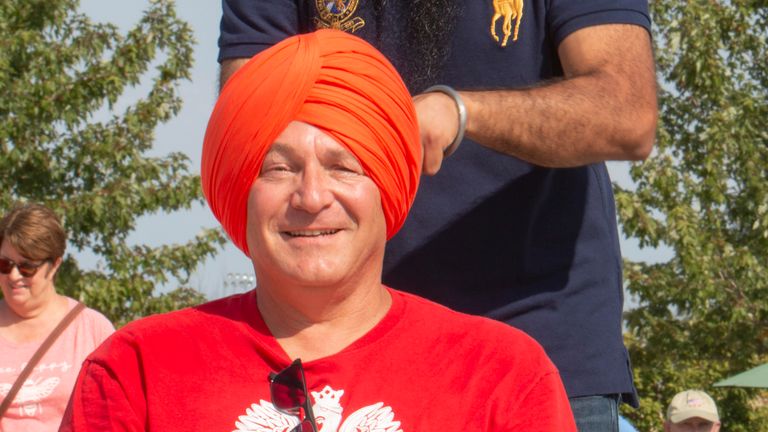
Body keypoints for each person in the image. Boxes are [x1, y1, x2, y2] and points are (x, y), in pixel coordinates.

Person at [59, 30, 577, 431]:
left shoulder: (501, 377)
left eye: (343, 167)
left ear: (388, 185)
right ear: (239, 189)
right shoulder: (138, 371)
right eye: (277, 168)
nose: (310, 197)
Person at [217, 0, 658, 429]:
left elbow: (627, 112)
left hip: (541, 337)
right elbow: (249, 125)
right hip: (347, 348)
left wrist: (461, 112)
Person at [0, 203, 114, 431]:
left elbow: (114, 411)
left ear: (54, 265)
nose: (13, 276)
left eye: (26, 267)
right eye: (5, 264)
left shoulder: (92, 329)